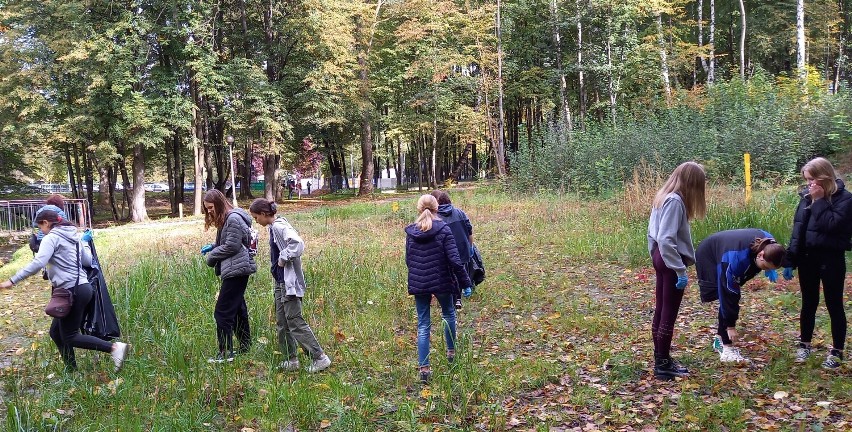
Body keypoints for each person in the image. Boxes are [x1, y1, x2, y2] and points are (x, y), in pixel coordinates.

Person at [0, 208, 129, 372]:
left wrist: (12, 280)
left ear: (46, 223)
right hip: (82, 288)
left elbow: (38, 263)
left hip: (71, 291)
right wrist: (83, 243)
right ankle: (72, 371)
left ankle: (115, 348)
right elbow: (88, 261)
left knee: (70, 335)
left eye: (41, 227)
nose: (41, 231)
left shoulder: (51, 238)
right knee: (56, 332)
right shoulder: (74, 237)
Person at [781, 157, 852, 369]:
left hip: (831, 258)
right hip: (807, 259)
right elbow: (799, 230)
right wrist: (790, 259)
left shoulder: (845, 199)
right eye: (807, 180)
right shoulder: (806, 197)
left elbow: (832, 225)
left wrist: (819, 201)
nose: (809, 184)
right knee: (808, 302)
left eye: (812, 179)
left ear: (825, 177)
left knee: (834, 304)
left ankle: (837, 350)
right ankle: (804, 344)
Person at [248, 198, 332, 373]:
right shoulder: (273, 227)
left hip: (289, 283)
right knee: (282, 321)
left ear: (264, 214)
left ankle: (319, 357)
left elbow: (298, 243)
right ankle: (291, 358)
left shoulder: (279, 226)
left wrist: (283, 258)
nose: (256, 221)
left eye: (256, 217)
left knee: (294, 320)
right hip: (280, 282)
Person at [647, 161, 706, 380]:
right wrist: (679, 269)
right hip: (670, 261)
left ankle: (662, 359)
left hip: (662, 259)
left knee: (661, 310)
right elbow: (665, 238)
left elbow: (651, 235)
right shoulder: (675, 201)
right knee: (667, 314)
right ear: (693, 183)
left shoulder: (662, 196)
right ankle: (662, 365)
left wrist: (655, 256)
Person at [405, 194, 472, 383]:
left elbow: (409, 260)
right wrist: (466, 283)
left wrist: (419, 276)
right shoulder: (443, 229)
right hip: (443, 280)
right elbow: (455, 260)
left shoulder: (411, 232)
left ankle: (424, 369)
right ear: (437, 208)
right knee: (449, 314)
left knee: (423, 324)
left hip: (419, 283)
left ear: (419, 209)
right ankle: (451, 354)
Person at [696, 229, 786, 363]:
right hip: (709, 253)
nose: (766, 270)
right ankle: (726, 348)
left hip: (736, 251)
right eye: (766, 267)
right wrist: (730, 326)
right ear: (761, 255)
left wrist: (772, 268)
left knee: (731, 291)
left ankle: (720, 340)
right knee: (723, 293)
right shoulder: (735, 259)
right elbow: (729, 294)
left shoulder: (770, 244)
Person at [201, 189, 257, 363]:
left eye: (210, 207)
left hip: (237, 270)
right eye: (206, 208)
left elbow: (232, 246)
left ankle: (225, 354)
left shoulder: (232, 218)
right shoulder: (229, 218)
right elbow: (230, 241)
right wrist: (213, 245)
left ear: (219, 203)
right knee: (238, 310)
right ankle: (245, 346)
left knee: (222, 313)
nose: (209, 211)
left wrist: (212, 257)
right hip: (235, 269)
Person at [430, 190, 474, 309]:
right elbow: (469, 231)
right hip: (462, 249)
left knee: (448, 275)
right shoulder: (460, 213)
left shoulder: (435, 217)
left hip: (445, 252)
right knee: (460, 271)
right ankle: (458, 298)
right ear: (449, 201)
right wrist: (470, 246)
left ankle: (451, 298)